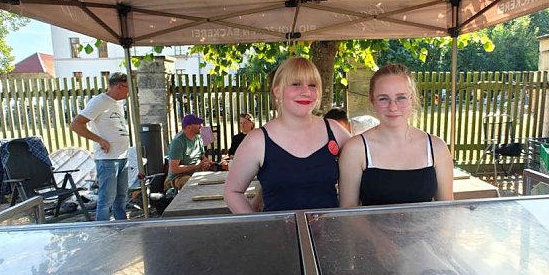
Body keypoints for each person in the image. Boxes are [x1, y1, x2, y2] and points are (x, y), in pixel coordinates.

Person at [225, 57, 351, 213]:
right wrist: (256, 227)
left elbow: (364, 162)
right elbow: (232, 192)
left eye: (312, 85)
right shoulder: (257, 141)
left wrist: (347, 218)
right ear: (277, 90)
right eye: (296, 84)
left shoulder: (334, 130)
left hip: (329, 235)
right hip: (278, 236)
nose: (306, 92)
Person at [339, 64, 454, 207]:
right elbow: (348, 215)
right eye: (383, 99)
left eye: (401, 98)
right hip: (368, 230)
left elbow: (447, 211)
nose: (393, 107)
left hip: (427, 230)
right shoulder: (356, 149)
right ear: (372, 101)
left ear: (412, 99)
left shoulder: (437, 148)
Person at [70, 72, 131, 221]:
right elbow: (76, 125)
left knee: (121, 197)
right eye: (128, 87)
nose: (130, 92)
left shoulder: (117, 102)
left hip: (122, 156)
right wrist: (100, 140)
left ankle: (122, 226)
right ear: (118, 86)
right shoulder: (99, 102)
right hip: (108, 159)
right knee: (106, 199)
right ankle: (102, 230)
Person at [166, 113, 214, 190]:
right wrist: (196, 166)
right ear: (188, 127)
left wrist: (206, 163)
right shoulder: (178, 142)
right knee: (192, 182)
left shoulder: (198, 138)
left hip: (197, 173)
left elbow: (203, 157)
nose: (201, 126)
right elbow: (174, 169)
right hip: (179, 177)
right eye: (197, 124)